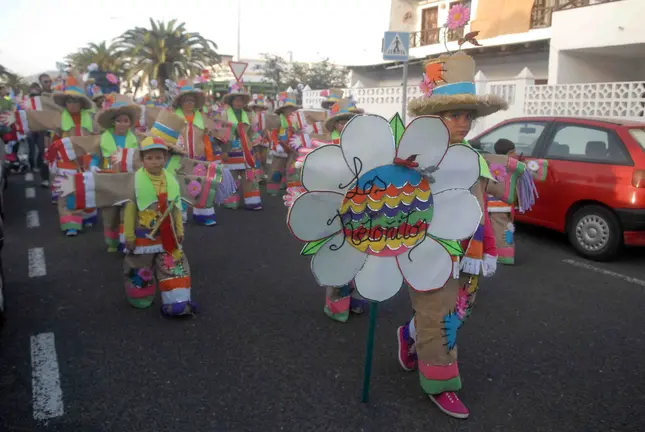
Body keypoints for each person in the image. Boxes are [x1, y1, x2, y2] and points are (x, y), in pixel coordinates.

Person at [396, 50, 507, 419]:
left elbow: (485, 198)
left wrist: (516, 180)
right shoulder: (413, 155)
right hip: (428, 250)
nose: (463, 122)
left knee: (459, 311)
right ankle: (441, 384)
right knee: (440, 319)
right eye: (454, 114)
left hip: (469, 251)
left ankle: (410, 334)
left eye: (467, 116)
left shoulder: (472, 155)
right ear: (434, 117)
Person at [122, 137, 196, 316]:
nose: (155, 162)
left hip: (168, 234)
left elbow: (176, 208)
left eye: (159, 157)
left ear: (165, 158)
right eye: (150, 158)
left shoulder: (171, 180)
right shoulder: (135, 181)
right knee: (140, 267)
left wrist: (180, 229)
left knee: (172, 264)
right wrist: (129, 236)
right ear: (142, 160)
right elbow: (130, 211)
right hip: (143, 235)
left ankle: (177, 301)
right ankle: (140, 296)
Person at [93, 94, 141, 252]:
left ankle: (125, 242)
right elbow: (96, 156)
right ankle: (112, 242)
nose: (122, 124)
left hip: (129, 179)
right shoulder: (103, 138)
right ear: (113, 122)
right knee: (110, 213)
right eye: (118, 120)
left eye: (125, 121)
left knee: (128, 211)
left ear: (130, 123)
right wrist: (93, 166)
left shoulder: (136, 140)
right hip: (109, 177)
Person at [51, 71, 97, 236]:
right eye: (69, 101)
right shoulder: (58, 119)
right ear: (65, 103)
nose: (73, 104)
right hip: (66, 161)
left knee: (85, 189)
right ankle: (70, 223)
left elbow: (98, 138)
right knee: (67, 190)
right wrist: (50, 157)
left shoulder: (91, 119)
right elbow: (53, 139)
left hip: (86, 160)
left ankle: (86, 217)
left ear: (82, 104)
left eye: (76, 101)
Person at [171, 79, 218, 225]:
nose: (189, 103)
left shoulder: (203, 117)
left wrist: (210, 157)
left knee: (201, 185)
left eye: (192, 100)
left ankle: (203, 215)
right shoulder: (172, 117)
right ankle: (180, 215)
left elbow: (208, 139)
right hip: (178, 158)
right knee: (179, 185)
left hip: (199, 157)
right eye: (186, 100)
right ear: (180, 102)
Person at [216, 82, 263, 210]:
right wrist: (223, 150)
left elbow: (253, 132)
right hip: (230, 148)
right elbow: (221, 133)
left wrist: (257, 147)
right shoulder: (224, 115)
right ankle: (231, 201)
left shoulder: (249, 115)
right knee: (231, 175)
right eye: (236, 100)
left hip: (246, 148)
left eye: (241, 100)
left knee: (249, 175)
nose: (238, 102)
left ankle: (252, 201)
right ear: (231, 101)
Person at [267, 91, 300, 196]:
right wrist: (276, 145)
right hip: (280, 148)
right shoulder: (277, 120)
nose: (291, 111)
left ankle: (291, 189)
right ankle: (272, 190)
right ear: (284, 109)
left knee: (291, 168)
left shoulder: (295, 120)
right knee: (277, 169)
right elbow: (273, 134)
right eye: (289, 108)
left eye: (293, 109)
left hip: (292, 148)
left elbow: (298, 133)